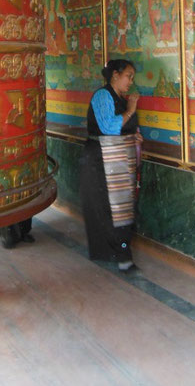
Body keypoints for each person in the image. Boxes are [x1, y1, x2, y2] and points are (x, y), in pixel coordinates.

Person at [80, 58, 142, 271]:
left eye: (132, 78)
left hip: (119, 161)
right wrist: (131, 111)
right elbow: (108, 127)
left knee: (123, 210)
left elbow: (126, 129)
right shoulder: (102, 96)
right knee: (107, 209)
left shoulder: (121, 100)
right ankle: (118, 254)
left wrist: (135, 136)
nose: (130, 82)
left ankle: (122, 251)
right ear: (115, 75)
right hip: (99, 160)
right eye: (128, 76)